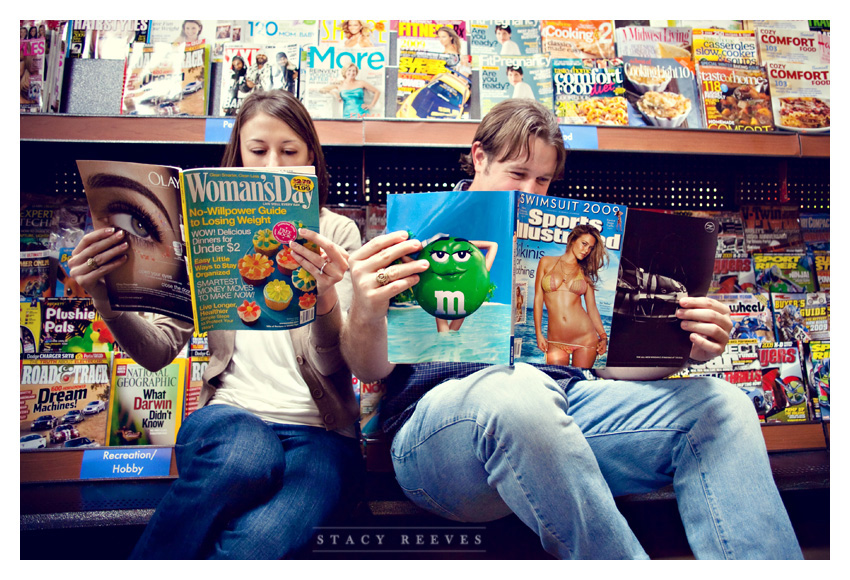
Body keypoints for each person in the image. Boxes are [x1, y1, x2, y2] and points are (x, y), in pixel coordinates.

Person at [341, 98, 803, 559]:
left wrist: (686, 347)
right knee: (516, 390)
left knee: (722, 406)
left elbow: (602, 367)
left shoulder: (572, 246)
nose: (533, 191)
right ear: (480, 157)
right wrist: (365, 308)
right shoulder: (421, 231)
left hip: (563, 410)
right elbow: (369, 366)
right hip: (441, 437)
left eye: (543, 180)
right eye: (518, 174)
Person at [68, 90, 364, 559]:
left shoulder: (336, 232)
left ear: (311, 155)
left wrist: (325, 292)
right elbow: (157, 351)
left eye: (289, 152)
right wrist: (108, 299)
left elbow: (339, 359)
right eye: (258, 150)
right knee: (248, 454)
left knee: (259, 544)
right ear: (237, 154)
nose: (272, 167)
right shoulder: (203, 231)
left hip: (321, 433)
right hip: (230, 419)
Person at [534, 224, 607, 368]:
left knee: (579, 384)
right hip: (555, 340)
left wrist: (603, 337)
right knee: (557, 382)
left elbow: (591, 309)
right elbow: (538, 299)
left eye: (590, 248)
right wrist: (538, 333)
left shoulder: (585, 272)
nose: (586, 250)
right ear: (573, 239)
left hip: (585, 338)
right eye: (584, 244)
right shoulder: (546, 262)